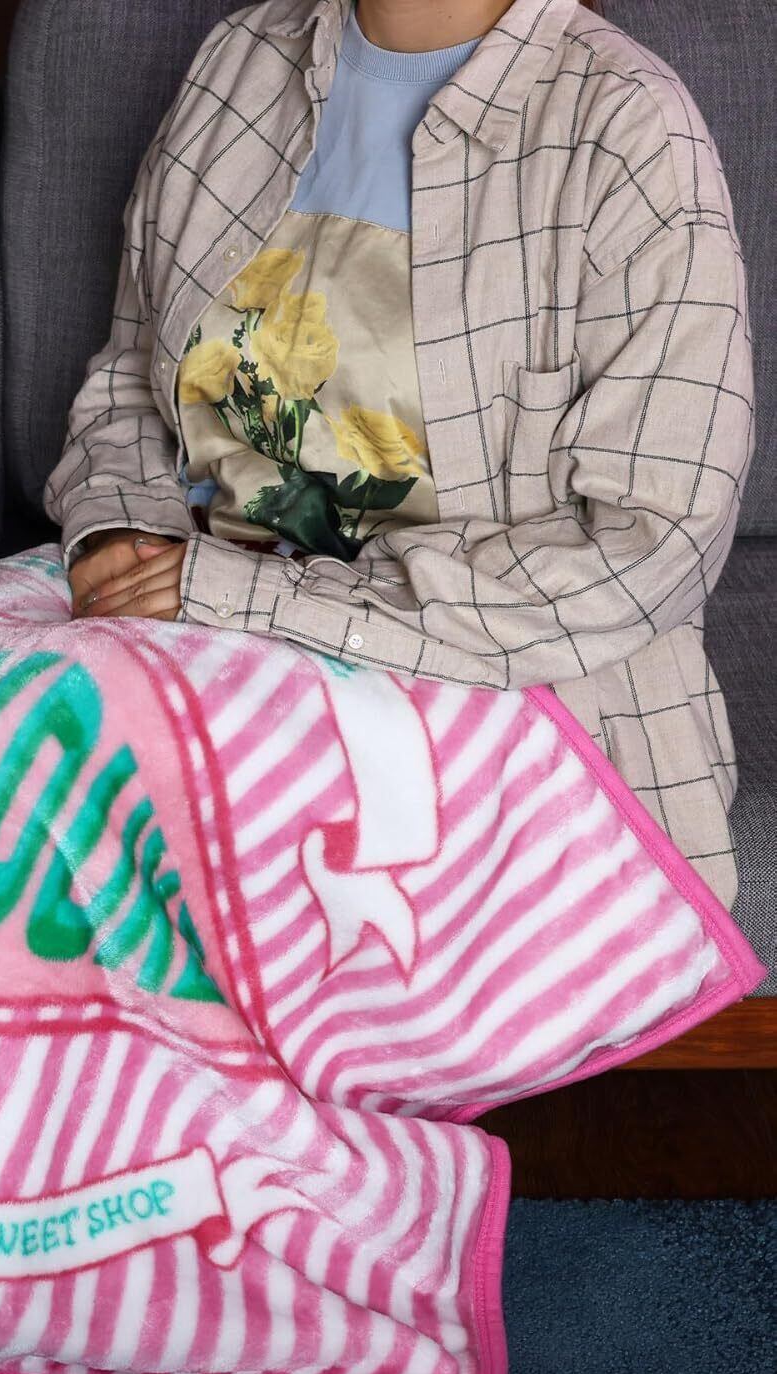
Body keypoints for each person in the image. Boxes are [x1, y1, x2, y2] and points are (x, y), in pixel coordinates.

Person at [51, 0, 755, 912]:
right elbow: (129, 380)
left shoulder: (628, 125)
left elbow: (650, 545)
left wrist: (258, 600)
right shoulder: (242, 58)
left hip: (496, 696)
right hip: (199, 634)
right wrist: (118, 531)